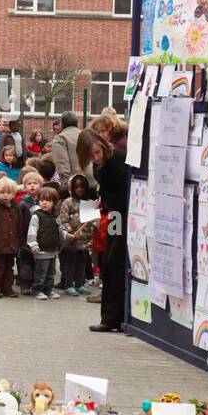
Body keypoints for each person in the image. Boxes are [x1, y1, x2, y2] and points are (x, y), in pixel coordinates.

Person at [79, 128, 128, 333]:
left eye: (97, 153)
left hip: (123, 214)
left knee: (113, 262)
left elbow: (124, 187)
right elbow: (108, 187)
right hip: (114, 214)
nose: (96, 158)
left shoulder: (116, 158)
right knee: (109, 261)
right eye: (91, 156)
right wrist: (102, 197)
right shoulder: (101, 165)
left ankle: (112, 318)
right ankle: (109, 317)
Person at [59, 174, 96, 297]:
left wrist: (91, 239)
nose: (79, 189)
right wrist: (69, 233)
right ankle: (69, 285)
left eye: (82, 187)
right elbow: (64, 219)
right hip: (72, 239)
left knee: (82, 263)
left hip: (84, 240)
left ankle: (80, 284)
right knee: (70, 263)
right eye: (77, 187)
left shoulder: (90, 203)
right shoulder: (67, 202)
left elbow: (93, 223)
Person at [26, 186, 66, 299]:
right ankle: (37, 290)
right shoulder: (36, 216)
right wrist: (33, 245)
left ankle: (48, 290)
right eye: (42, 200)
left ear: (54, 202)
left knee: (51, 273)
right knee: (41, 273)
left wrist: (67, 236)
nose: (44, 203)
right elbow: (32, 232)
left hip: (53, 249)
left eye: (48, 200)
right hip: (41, 250)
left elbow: (60, 230)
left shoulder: (56, 215)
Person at [50, 112, 82, 182]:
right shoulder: (85, 135)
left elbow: (62, 165)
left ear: (61, 124)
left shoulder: (60, 138)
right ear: (77, 123)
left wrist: (66, 184)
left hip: (75, 184)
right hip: (92, 181)